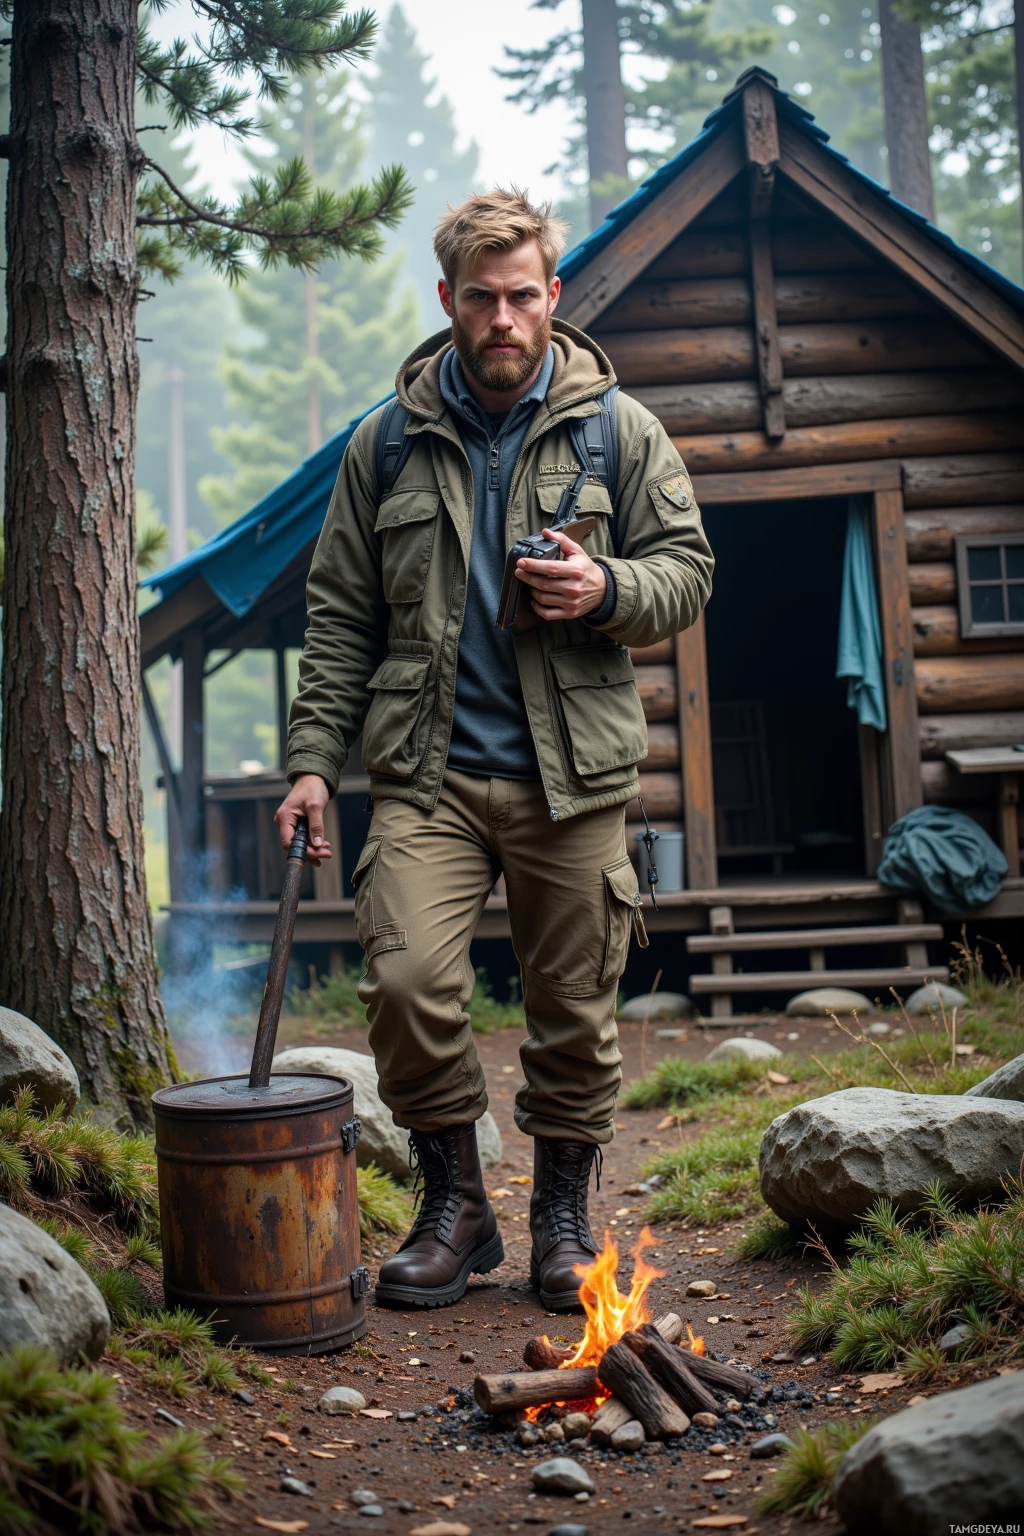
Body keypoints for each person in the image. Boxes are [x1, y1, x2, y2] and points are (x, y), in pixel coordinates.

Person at [275, 188, 713, 1312]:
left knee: (574, 1006)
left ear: (553, 297)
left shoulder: (622, 430)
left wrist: (605, 585)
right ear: (449, 302)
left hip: (574, 778)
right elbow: (337, 619)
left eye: (524, 296)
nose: (504, 318)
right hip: (428, 776)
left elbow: (688, 573)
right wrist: (312, 763)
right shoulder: (384, 443)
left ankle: (562, 1223)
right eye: (482, 299)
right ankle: (455, 1204)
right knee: (408, 981)